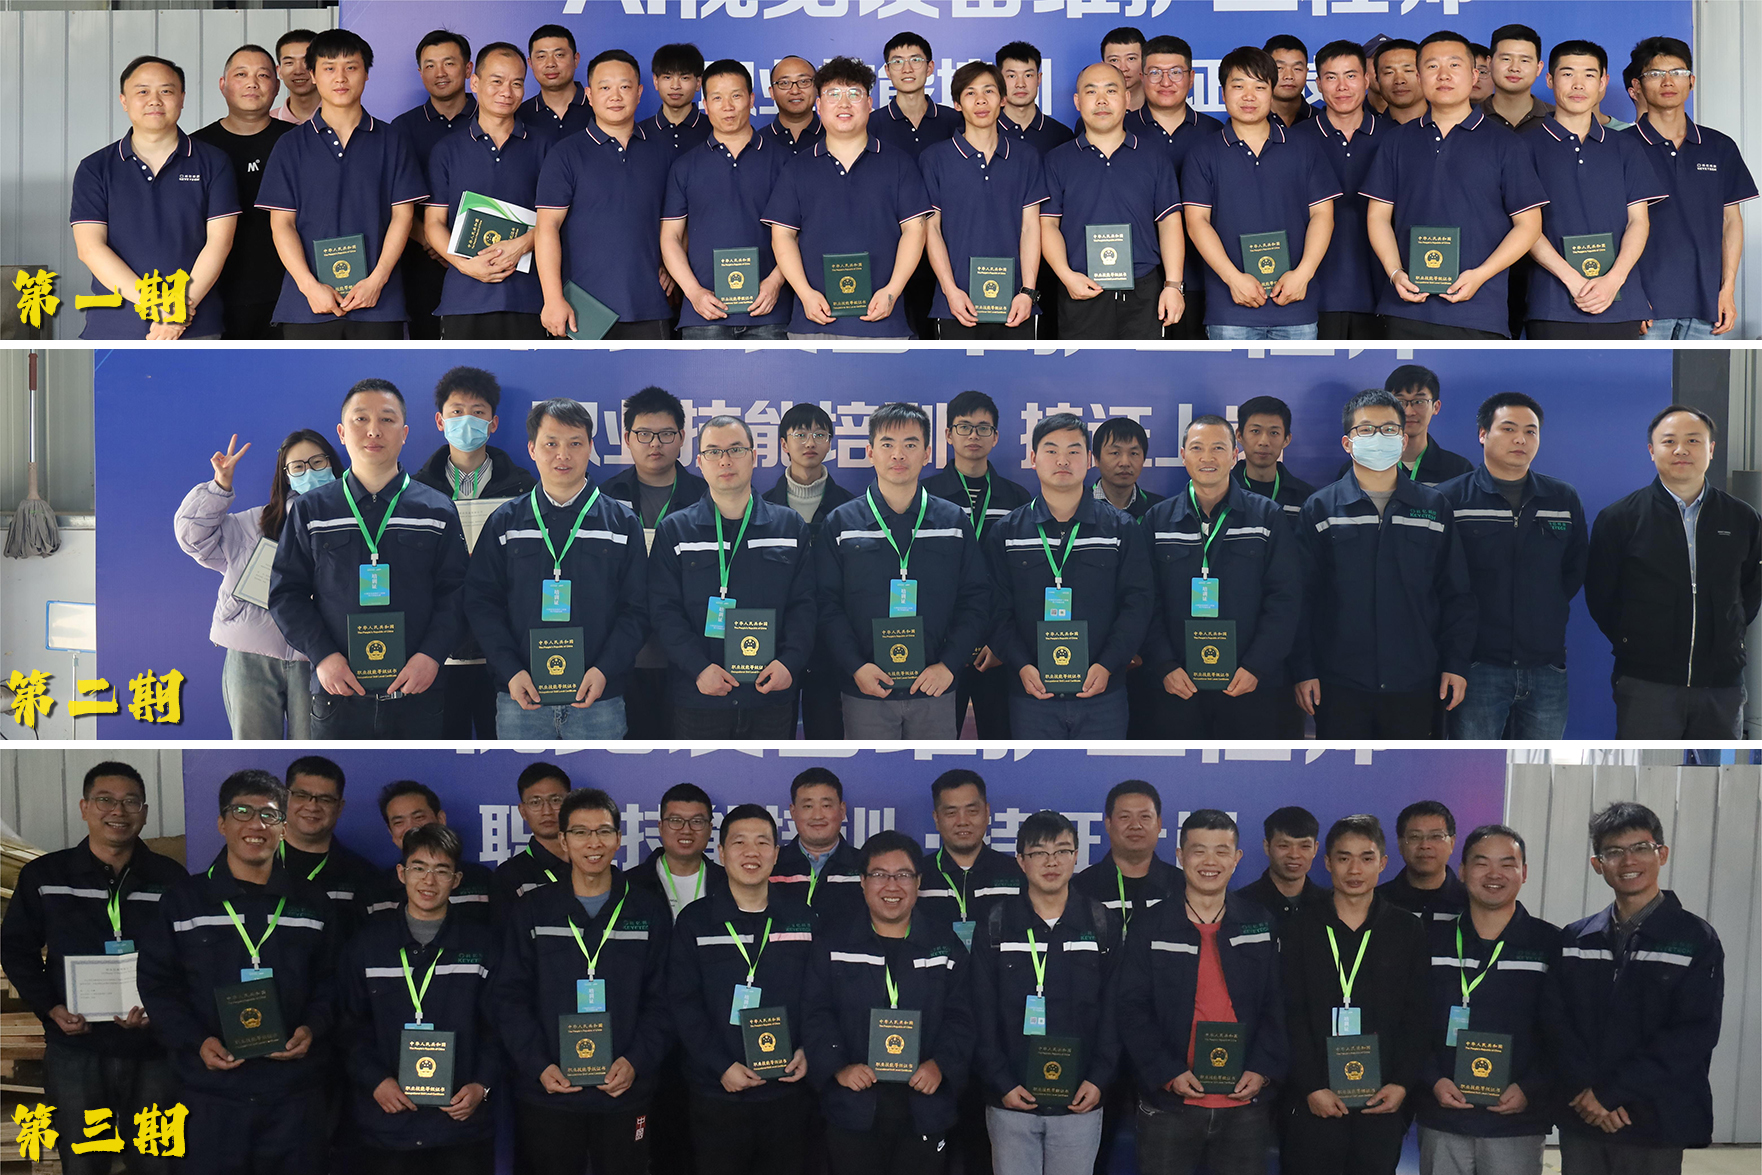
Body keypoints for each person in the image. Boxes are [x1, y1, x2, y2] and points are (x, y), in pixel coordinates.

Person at [136, 770, 340, 1173]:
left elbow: (333, 980)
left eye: (269, 815)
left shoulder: (313, 902)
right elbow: (158, 984)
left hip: (293, 1095)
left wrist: (312, 1028)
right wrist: (197, 1042)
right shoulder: (184, 901)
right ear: (221, 823)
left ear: (284, 827)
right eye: (242, 812)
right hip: (209, 1094)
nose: (256, 825)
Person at [0, 762, 187, 1175]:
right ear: (85, 807)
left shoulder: (171, 879)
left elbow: (188, 957)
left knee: (157, 1164)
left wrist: (162, 1010)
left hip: (154, 1050)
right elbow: (15, 949)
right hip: (76, 1051)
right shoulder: (45, 876)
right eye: (105, 800)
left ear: (145, 812)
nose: (118, 811)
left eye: (130, 802)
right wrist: (51, 1008)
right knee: (84, 1164)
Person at [268, 380, 467, 739]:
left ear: (404, 433)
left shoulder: (437, 509)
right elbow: (286, 594)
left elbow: (457, 592)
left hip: (418, 691)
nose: (374, 430)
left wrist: (432, 655)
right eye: (360, 419)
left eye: (387, 419)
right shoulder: (312, 510)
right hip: (337, 693)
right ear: (342, 433)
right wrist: (323, 656)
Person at [493, 788, 673, 1175]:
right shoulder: (534, 910)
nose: (594, 843)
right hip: (550, 1090)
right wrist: (538, 1065)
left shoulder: (647, 909)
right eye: (580, 832)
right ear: (563, 840)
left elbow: (665, 999)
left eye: (604, 831)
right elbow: (509, 997)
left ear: (618, 838)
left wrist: (636, 1061)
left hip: (625, 1089)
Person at [1293, 389, 1476, 739]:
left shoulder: (1433, 507)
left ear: (1403, 439)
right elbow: (1301, 598)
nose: (1378, 437)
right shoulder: (1321, 508)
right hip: (1339, 682)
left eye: (1389, 429)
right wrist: (1304, 669)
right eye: (1366, 430)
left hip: (1416, 681)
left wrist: (1456, 664)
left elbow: (1456, 594)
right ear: (1347, 443)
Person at [1554, 802, 1725, 1175]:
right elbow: (1557, 1024)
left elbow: (1693, 1033)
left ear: (1661, 854)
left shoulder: (1694, 939)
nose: (1628, 860)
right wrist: (1588, 1093)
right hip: (1583, 1117)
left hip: (1655, 1121)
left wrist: (1610, 1094)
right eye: (1614, 851)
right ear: (1598, 864)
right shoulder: (1576, 939)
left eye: (1640, 848)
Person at [463, 397, 646, 740]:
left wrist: (604, 670)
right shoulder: (504, 522)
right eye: (551, 444)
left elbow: (637, 608)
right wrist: (511, 671)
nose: (563, 455)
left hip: (599, 699)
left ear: (590, 448)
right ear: (532, 449)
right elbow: (481, 603)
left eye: (575, 443)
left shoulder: (622, 523)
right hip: (521, 698)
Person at [1119, 810, 1285, 1175]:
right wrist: (1167, 1072)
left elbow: (1277, 1004)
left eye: (1222, 851)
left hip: (1245, 1106)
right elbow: (1131, 1009)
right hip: (1170, 1104)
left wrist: (1262, 1069)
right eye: (1199, 851)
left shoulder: (1259, 923)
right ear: (1180, 856)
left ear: (1237, 858)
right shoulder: (1151, 925)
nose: (1210, 862)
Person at [802, 830, 975, 1175]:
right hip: (854, 1105)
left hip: (924, 1105)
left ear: (918, 882)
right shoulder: (834, 944)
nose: (892, 886)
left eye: (903, 875)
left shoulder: (944, 945)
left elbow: (963, 1015)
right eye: (880, 874)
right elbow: (815, 1013)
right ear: (863, 881)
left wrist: (940, 1065)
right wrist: (839, 1067)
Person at [816, 402, 991, 739]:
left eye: (910, 444)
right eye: (887, 444)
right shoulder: (841, 523)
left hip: (935, 686)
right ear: (870, 452)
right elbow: (826, 604)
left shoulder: (953, 521)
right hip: (866, 688)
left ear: (927, 453)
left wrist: (948, 665)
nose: (898, 455)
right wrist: (856, 666)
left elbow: (975, 599)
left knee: (934, 766)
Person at [1586, 405, 1762, 738]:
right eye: (1669, 441)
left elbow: (1750, 592)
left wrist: (1728, 635)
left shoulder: (1742, 518)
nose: (1681, 450)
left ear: (1711, 449)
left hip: (1721, 686)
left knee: (1717, 763)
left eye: (1693, 440)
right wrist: (1637, 643)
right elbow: (1601, 597)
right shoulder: (1620, 518)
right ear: (1652, 451)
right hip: (1646, 683)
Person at [335, 822, 500, 1175]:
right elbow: (347, 1026)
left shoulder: (484, 946)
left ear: (456, 880)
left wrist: (481, 1085)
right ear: (401, 873)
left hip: (461, 1125)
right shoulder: (366, 947)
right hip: (388, 1125)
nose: (429, 880)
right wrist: (375, 1080)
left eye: (441, 870)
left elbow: (498, 1026)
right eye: (419, 868)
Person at [1363, 31, 1547, 340]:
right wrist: (1395, 273)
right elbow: (1377, 216)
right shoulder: (1396, 141)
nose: (1444, 75)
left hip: (1479, 311)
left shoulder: (1506, 144)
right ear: (1419, 77)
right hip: (1405, 308)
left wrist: (1480, 275)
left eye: (1454, 65)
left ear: (1474, 75)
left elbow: (1529, 226)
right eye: (1432, 66)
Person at [668, 804, 816, 1175]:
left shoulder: (803, 919)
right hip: (717, 1091)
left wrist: (808, 1050)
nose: (752, 852)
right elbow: (683, 1003)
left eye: (762, 842)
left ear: (776, 853)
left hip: (787, 1090)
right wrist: (721, 1066)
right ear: (721, 852)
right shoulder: (695, 921)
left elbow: (820, 995)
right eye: (739, 842)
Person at [986, 413, 1153, 739]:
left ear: (1089, 460)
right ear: (1033, 458)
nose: (1062, 460)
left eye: (1073, 451)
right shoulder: (1007, 532)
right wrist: (1021, 665)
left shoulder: (1120, 528)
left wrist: (1108, 664)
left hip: (1103, 693)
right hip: (1031, 694)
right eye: (1051, 450)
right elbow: (995, 609)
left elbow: (1138, 603)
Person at [970, 810, 1117, 1175]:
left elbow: (1115, 1010)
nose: (1052, 862)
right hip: (1011, 1100)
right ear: (1021, 860)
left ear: (1076, 856)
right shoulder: (996, 924)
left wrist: (1098, 1079)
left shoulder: (1101, 923)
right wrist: (1001, 1082)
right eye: (1039, 852)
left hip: (1079, 1099)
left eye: (1062, 851)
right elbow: (981, 1010)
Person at [650, 415, 814, 739]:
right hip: (700, 696)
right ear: (700, 462)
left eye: (736, 449)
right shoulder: (675, 530)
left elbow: (805, 605)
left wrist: (789, 662)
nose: (725, 460)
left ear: (754, 456)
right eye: (713, 452)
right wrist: (698, 668)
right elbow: (663, 610)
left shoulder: (789, 527)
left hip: (770, 694)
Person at [1282, 815, 1428, 1175]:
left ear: (1383, 863)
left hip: (1382, 1102)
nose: (1355, 869)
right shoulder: (1299, 927)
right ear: (1327, 862)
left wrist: (1401, 1084)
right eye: (1344, 858)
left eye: (1366, 858)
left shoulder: (1407, 929)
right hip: (1313, 1101)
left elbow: (1419, 1014)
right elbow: (1289, 1013)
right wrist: (1311, 1087)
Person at [1437, 392, 1588, 740]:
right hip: (1476, 667)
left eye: (1530, 431)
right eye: (1508, 429)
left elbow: (1572, 570)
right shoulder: (1450, 499)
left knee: (1541, 758)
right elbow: (1440, 580)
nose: (1521, 439)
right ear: (1483, 434)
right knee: (1472, 761)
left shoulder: (1562, 498)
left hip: (1546, 667)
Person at [258, 29, 427, 340]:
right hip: (307, 305)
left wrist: (377, 280)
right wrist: (309, 286)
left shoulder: (392, 140)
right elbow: (282, 224)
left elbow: (402, 217)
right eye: (329, 68)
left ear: (366, 73)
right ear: (312, 74)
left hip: (379, 303)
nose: (340, 78)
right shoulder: (290, 145)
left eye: (351, 67)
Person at [1140, 414, 1301, 738]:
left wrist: (1256, 665)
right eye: (1197, 448)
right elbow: (1144, 599)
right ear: (1183, 455)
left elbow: (1285, 598)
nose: (1207, 457)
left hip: (1248, 684)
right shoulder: (1158, 520)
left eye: (1218, 448)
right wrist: (1164, 665)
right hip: (1177, 685)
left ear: (1234, 455)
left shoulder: (1266, 516)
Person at [1415, 825, 1561, 1175]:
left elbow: (1563, 1031)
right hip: (1444, 1114)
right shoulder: (1429, 941)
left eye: (1507, 864)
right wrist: (1433, 1079)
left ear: (1524, 873)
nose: (1494, 874)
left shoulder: (1551, 944)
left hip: (1516, 1119)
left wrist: (1530, 1087)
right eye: (1482, 863)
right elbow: (1408, 1020)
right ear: (1463, 871)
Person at [175, 429, 336, 739]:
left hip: (318, 658)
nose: (309, 472)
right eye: (298, 466)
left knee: (312, 748)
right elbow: (192, 538)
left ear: (332, 464)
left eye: (317, 462)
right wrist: (219, 486)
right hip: (250, 656)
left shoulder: (351, 525)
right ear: (286, 475)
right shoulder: (254, 522)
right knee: (253, 749)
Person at [71, 55, 240, 340]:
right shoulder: (95, 168)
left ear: (182, 98)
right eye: (142, 91)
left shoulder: (214, 163)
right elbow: (90, 248)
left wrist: (178, 312)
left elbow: (219, 243)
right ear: (124, 101)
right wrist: (159, 308)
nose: (154, 100)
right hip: (114, 328)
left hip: (196, 327)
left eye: (166, 91)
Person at [763, 56, 932, 340]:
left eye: (854, 94)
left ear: (869, 104)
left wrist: (892, 291)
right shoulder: (797, 168)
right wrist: (805, 294)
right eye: (833, 94)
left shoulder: (899, 163)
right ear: (819, 105)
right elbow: (782, 236)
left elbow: (915, 231)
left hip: (884, 324)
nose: (844, 104)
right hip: (814, 324)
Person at [413, 367, 539, 740]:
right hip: (438, 654)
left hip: (504, 653)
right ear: (440, 421)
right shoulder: (415, 491)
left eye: (478, 412)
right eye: (457, 412)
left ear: (493, 423)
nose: (467, 420)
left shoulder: (524, 487)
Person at [1183, 45, 1338, 341]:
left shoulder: (1304, 147)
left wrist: (1303, 274)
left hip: (1295, 305)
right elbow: (1197, 222)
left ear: (1272, 91)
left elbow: (1323, 215)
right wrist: (1233, 279)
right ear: (1223, 92)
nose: (1249, 96)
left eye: (1259, 86)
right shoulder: (1203, 153)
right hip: (1231, 308)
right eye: (1238, 86)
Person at [1071, 781, 1180, 1174]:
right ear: (1107, 823)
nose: (1135, 825)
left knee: (1167, 1153)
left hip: (1163, 1034)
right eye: (1125, 817)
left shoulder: (1182, 887)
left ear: (1160, 824)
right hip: (1098, 1034)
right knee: (1091, 1150)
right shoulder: (1080, 888)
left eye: (1145, 817)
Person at [1523, 40, 1662, 340]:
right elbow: (1525, 227)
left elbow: (1639, 222)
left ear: (1603, 82)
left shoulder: (1626, 146)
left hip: (1620, 302)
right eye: (1567, 73)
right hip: (1552, 303)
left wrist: (1614, 280)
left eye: (1589, 74)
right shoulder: (1522, 147)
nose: (1578, 84)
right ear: (1550, 80)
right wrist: (1572, 280)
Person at [536, 49, 675, 340]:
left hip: (649, 303)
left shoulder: (661, 153)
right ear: (589, 94)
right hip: (581, 308)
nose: (615, 96)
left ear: (639, 93)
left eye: (624, 87)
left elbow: (675, 222)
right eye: (604, 88)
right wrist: (552, 298)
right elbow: (546, 227)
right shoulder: (566, 154)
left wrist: (671, 266)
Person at [421, 42, 555, 341]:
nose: (507, 92)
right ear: (475, 83)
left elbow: (557, 220)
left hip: (529, 298)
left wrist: (522, 244)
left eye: (516, 83)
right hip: (464, 298)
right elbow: (433, 224)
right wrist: (467, 265)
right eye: (496, 81)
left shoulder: (546, 147)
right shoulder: (447, 150)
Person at [1040, 63, 1185, 339]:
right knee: (1084, 367)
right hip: (1081, 289)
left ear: (1127, 98)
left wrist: (1173, 285)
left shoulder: (1154, 158)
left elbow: (1169, 223)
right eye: (1091, 91)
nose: (1101, 100)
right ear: (1077, 102)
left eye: (1111, 90)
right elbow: (1047, 225)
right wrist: (1066, 275)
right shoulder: (1057, 160)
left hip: (1144, 292)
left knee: (1144, 367)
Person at [1627, 36, 1758, 339]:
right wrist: (1629, 295)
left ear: (1692, 81)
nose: (1668, 82)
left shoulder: (1719, 146)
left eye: (1678, 72)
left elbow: (1731, 222)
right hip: (1645, 306)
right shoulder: (1621, 146)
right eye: (1655, 74)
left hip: (1706, 304)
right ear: (1638, 85)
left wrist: (1727, 289)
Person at [922, 390, 1034, 739]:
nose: (973, 435)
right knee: (938, 743)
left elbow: (1024, 581)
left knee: (1001, 742)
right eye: (964, 427)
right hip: (941, 649)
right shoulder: (925, 497)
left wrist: (1003, 645)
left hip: (998, 649)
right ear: (948, 434)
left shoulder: (1017, 499)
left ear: (996, 437)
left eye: (983, 428)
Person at [662, 59, 794, 341]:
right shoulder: (684, 167)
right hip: (704, 313)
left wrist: (775, 283)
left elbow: (798, 232)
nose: (728, 106)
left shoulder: (785, 162)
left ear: (751, 99)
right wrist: (694, 293)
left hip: (770, 312)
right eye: (717, 98)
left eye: (736, 96)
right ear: (705, 105)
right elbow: (670, 237)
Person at [603, 386, 707, 739]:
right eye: (644, 434)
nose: (655, 444)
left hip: (691, 657)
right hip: (622, 657)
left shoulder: (706, 497)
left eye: (666, 434)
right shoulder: (604, 499)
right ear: (627, 439)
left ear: (682, 438)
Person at [920, 61, 1047, 341]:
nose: (980, 100)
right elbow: (932, 230)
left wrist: (1027, 291)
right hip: (956, 305)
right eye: (970, 93)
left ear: (1002, 99)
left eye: (989, 91)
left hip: (1016, 305)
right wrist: (950, 291)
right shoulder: (934, 159)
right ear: (957, 104)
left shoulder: (1026, 157)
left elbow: (1030, 228)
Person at [764, 403, 855, 739]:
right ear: (783, 444)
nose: (810, 442)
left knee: (828, 734)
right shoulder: (761, 507)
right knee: (775, 735)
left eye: (819, 434)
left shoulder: (851, 509)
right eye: (800, 434)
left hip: (832, 641)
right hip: (777, 641)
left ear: (830, 442)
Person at [193, 44, 293, 339]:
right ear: (222, 85)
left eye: (263, 75)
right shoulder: (195, 148)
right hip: (212, 294)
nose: (252, 83)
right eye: (241, 74)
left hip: (289, 292)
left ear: (277, 86)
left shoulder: (297, 143)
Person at [393, 30, 477, 341]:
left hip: (486, 255)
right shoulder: (402, 128)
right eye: (430, 65)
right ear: (420, 73)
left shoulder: (494, 118)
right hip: (421, 257)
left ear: (468, 69)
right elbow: (392, 196)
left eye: (449, 63)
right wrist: (430, 240)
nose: (439, 73)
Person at [1307, 40, 1387, 340]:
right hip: (1314, 290)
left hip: (1385, 289)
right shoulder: (1294, 141)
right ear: (1318, 84)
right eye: (1331, 77)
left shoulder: (1395, 138)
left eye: (1351, 76)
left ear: (1367, 80)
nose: (1342, 86)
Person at [918, 770, 1022, 947]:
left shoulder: (1017, 873)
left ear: (987, 812)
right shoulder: (917, 876)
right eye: (951, 813)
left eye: (972, 811)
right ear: (936, 818)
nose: (962, 821)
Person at [280, 755, 381, 939]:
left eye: (325, 799)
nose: (312, 806)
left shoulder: (363, 877)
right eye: (302, 795)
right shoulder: (252, 865)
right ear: (284, 798)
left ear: (339, 808)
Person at [367, 781, 497, 920]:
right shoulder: (377, 891)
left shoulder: (481, 881)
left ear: (441, 819)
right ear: (391, 832)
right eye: (399, 822)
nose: (411, 828)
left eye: (419, 817)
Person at [772, 768, 866, 928]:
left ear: (842, 810)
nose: (817, 816)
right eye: (808, 806)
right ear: (793, 812)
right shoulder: (772, 865)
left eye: (826, 805)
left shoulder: (865, 865)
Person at [630, 783, 729, 921]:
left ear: (710, 829)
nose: (686, 830)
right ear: (661, 827)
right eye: (676, 821)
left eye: (697, 821)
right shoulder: (630, 883)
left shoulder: (728, 882)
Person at [1234, 806, 1331, 933]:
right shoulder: (1240, 904)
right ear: (1267, 847)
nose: (1294, 855)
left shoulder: (1331, 905)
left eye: (1305, 846)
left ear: (1315, 849)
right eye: (1284, 846)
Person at [490, 761, 574, 905]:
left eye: (555, 800)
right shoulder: (509, 875)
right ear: (523, 811)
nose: (547, 811)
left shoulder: (590, 862)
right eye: (535, 802)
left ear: (571, 803)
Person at [871, 31, 959, 159]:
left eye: (916, 60)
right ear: (887, 71)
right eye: (897, 62)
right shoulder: (871, 124)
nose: (907, 69)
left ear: (929, 68)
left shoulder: (954, 120)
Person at [1377, 800, 1468, 923]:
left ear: (1452, 843)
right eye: (1415, 837)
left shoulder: (1470, 901)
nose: (1425, 845)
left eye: (1436, 836)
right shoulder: (1378, 902)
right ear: (1400, 844)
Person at [1232, 395, 1317, 524]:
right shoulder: (1221, 493)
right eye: (1255, 431)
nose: (1264, 442)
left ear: (1286, 439)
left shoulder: (1307, 498)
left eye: (1274, 433)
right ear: (1239, 435)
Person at [996, 42, 1076, 157]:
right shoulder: (986, 131)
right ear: (999, 79)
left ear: (1039, 79)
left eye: (1028, 75)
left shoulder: (1062, 135)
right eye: (1012, 76)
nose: (1020, 84)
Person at [1480, 24, 1552, 133]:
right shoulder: (1470, 118)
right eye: (1506, 59)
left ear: (1539, 68)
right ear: (1489, 63)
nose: (1514, 68)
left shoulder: (1556, 119)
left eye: (1524, 61)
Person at [521, 24, 592, 135]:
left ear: (576, 59)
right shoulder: (520, 115)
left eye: (559, 55)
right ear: (530, 63)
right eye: (541, 57)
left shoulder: (599, 108)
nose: (550, 64)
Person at [645, 43, 711, 159]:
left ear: (698, 82)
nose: (675, 86)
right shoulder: (640, 133)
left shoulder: (714, 130)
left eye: (684, 78)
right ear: (656, 81)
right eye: (667, 77)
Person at [1090, 417, 1163, 519]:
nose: (1125, 463)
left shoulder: (1160, 510)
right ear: (1096, 459)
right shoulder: (1077, 505)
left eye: (1133, 453)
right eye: (1115, 453)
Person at [764, 55, 826, 155]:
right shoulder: (758, 142)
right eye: (785, 83)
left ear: (817, 88)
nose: (795, 91)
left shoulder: (834, 139)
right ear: (772, 93)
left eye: (803, 81)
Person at [1264, 33, 1316, 127]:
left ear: (1306, 72)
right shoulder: (1252, 120)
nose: (1289, 76)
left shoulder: (1322, 122)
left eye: (1297, 69)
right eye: (1279, 68)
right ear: (1264, 71)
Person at [271, 29, 320, 124]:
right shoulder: (267, 122)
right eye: (289, 63)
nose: (298, 71)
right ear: (279, 71)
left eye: (306, 61)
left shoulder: (343, 120)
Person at [1373, 39, 1424, 125]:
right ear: (1377, 79)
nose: (1399, 81)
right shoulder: (1370, 130)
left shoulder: (1446, 125)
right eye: (1389, 72)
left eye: (1408, 71)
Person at [1100, 27, 1147, 111]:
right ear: (1103, 65)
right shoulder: (1094, 115)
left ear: (1145, 61)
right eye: (1114, 60)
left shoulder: (1162, 110)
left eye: (1131, 59)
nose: (1123, 68)